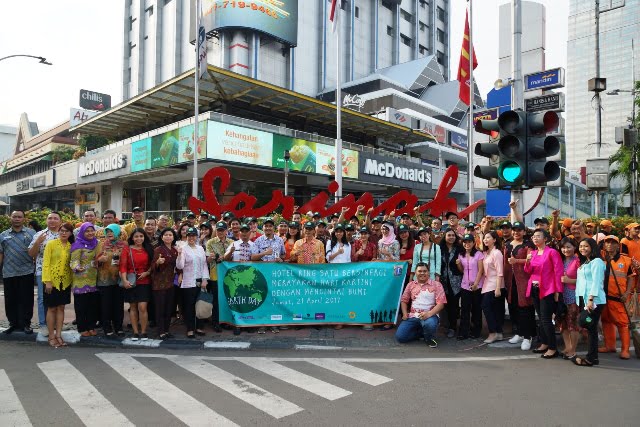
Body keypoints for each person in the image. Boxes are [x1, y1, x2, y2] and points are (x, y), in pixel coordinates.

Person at [524, 229, 563, 358]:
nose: (535, 238)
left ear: (545, 239)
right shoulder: (533, 253)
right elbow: (528, 271)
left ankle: (553, 347)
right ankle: (544, 343)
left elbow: (558, 272)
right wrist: (527, 261)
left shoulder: (552, 252)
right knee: (540, 318)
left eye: (538, 236)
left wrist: (558, 291)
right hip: (535, 288)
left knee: (546, 319)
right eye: (534, 236)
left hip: (547, 289)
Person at [0, 210, 36, 335]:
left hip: (27, 271)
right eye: (14, 216)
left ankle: (26, 324)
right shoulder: (3, 235)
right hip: (9, 272)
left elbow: (36, 252)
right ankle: (13, 324)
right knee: (10, 300)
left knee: (27, 299)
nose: (17, 219)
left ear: (24, 219)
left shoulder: (31, 233)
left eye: (19, 217)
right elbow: (1, 254)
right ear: (11, 218)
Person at [395, 262, 447, 348]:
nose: (422, 273)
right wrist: (404, 314)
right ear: (415, 273)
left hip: (430, 315)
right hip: (413, 316)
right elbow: (404, 300)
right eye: (420, 271)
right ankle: (422, 333)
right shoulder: (410, 285)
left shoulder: (437, 285)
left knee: (430, 324)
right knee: (400, 337)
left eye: (425, 271)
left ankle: (429, 338)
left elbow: (441, 304)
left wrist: (428, 314)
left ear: (428, 272)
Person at [600, 235, 634, 360]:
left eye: (612, 242)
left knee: (622, 323)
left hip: (618, 298)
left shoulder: (626, 261)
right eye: (607, 242)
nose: (609, 244)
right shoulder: (600, 258)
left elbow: (631, 277)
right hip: (603, 297)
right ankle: (610, 346)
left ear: (617, 245)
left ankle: (625, 350)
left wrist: (627, 293)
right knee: (606, 321)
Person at [573, 238, 606, 367]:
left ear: (592, 247)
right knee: (591, 330)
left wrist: (591, 299)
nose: (582, 248)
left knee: (582, 321)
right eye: (581, 246)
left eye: (586, 246)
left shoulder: (597, 262)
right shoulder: (586, 262)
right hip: (585, 299)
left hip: (595, 300)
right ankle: (592, 358)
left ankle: (593, 325)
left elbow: (596, 281)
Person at [28, 211, 61, 335]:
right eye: (50, 218)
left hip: (60, 272)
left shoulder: (63, 234)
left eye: (55, 218)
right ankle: (43, 324)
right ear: (46, 221)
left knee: (58, 299)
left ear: (60, 221)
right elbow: (31, 254)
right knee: (43, 298)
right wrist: (38, 243)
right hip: (42, 271)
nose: (52, 220)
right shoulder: (39, 234)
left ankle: (56, 324)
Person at [41, 222, 74, 347]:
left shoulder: (72, 246)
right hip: (51, 281)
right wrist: (47, 281)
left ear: (70, 233)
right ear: (58, 232)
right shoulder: (51, 244)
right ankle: (51, 336)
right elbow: (46, 263)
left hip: (65, 282)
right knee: (52, 308)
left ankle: (59, 334)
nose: (64, 233)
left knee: (61, 308)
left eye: (66, 231)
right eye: (62, 230)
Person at [504, 221, 536, 351]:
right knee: (513, 307)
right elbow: (504, 263)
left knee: (525, 309)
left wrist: (517, 261)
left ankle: (528, 337)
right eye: (514, 230)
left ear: (524, 232)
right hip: (510, 281)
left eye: (519, 230)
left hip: (523, 281)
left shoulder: (528, 245)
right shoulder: (507, 245)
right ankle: (518, 333)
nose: (516, 232)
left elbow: (532, 260)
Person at [119, 228, 154, 341]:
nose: (139, 238)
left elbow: (153, 264)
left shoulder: (149, 248)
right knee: (133, 307)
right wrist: (124, 281)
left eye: (141, 236)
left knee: (143, 307)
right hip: (131, 281)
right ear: (132, 238)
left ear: (144, 237)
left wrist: (147, 272)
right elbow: (123, 266)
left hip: (145, 280)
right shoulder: (127, 249)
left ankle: (143, 332)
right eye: (136, 236)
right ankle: (135, 332)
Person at [176, 227, 209, 338]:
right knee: (189, 306)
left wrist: (205, 279)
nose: (191, 238)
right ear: (186, 236)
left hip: (200, 281)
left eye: (193, 235)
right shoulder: (183, 248)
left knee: (199, 304)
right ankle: (190, 328)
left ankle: (199, 327)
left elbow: (204, 264)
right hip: (188, 281)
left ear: (196, 236)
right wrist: (179, 254)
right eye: (189, 235)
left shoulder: (200, 248)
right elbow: (180, 266)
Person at [95, 224, 127, 337]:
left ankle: (118, 327)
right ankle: (107, 327)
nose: (109, 233)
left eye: (112, 231)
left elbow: (128, 260)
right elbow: (95, 262)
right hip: (104, 280)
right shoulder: (102, 244)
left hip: (119, 279)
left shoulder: (124, 245)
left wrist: (122, 262)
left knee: (118, 305)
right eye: (107, 231)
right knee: (106, 305)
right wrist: (100, 260)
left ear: (117, 232)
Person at [70, 222, 100, 337]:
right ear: (82, 232)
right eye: (87, 231)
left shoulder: (96, 243)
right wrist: (77, 267)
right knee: (81, 306)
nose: (90, 233)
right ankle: (82, 327)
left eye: (92, 230)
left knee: (92, 305)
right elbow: (73, 261)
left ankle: (91, 326)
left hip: (93, 279)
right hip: (80, 279)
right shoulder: (77, 245)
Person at [205, 221, 231, 333]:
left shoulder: (232, 242)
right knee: (216, 300)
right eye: (218, 230)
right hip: (215, 275)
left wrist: (226, 256)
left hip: (229, 276)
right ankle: (216, 322)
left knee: (226, 299)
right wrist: (212, 258)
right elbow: (208, 259)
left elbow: (233, 258)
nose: (220, 232)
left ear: (226, 231)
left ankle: (225, 321)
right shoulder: (210, 242)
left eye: (222, 230)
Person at [457, 234, 484, 340]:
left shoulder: (478, 254)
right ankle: (463, 332)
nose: (467, 244)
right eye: (465, 242)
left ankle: (476, 331)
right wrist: (458, 264)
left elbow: (481, 270)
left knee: (476, 309)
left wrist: (476, 284)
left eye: (469, 242)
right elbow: (461, 270)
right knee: (464, 309)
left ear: (473, 243)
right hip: (465, 286)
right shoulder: (461, 254)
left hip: (477, 285)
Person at [480, 231, 506, 344]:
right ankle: (498, 333)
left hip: (495, 285)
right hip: (487, 284)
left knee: (487, 307)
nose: (485, 240)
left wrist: (498, 288)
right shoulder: (486, 253)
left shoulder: (497, 253)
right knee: (494, 310)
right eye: (484, 238)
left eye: (488, 237)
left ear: (494, 240)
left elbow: (500, 272)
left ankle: (493, 332)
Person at [558, 237, 580, 360]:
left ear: (574, 248)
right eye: (563, 247)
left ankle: (573, 349)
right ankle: (567, 347)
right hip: (561, 295)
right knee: (563, 323)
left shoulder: (578, 260)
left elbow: (584, 280)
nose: (565, 249)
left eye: (568, 247)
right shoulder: (560, 260)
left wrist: (569, 280)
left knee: (573, 324)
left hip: (573, 295)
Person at [440, 228, 463, 338]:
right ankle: (446, 325)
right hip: (443, 281)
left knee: (454, 305)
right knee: (445, 305)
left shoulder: (459, 248)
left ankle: (453, 328)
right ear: (445, 236)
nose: (451, 237)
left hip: (456, 281)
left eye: (453, 235)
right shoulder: (440, 249)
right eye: (449, 235)